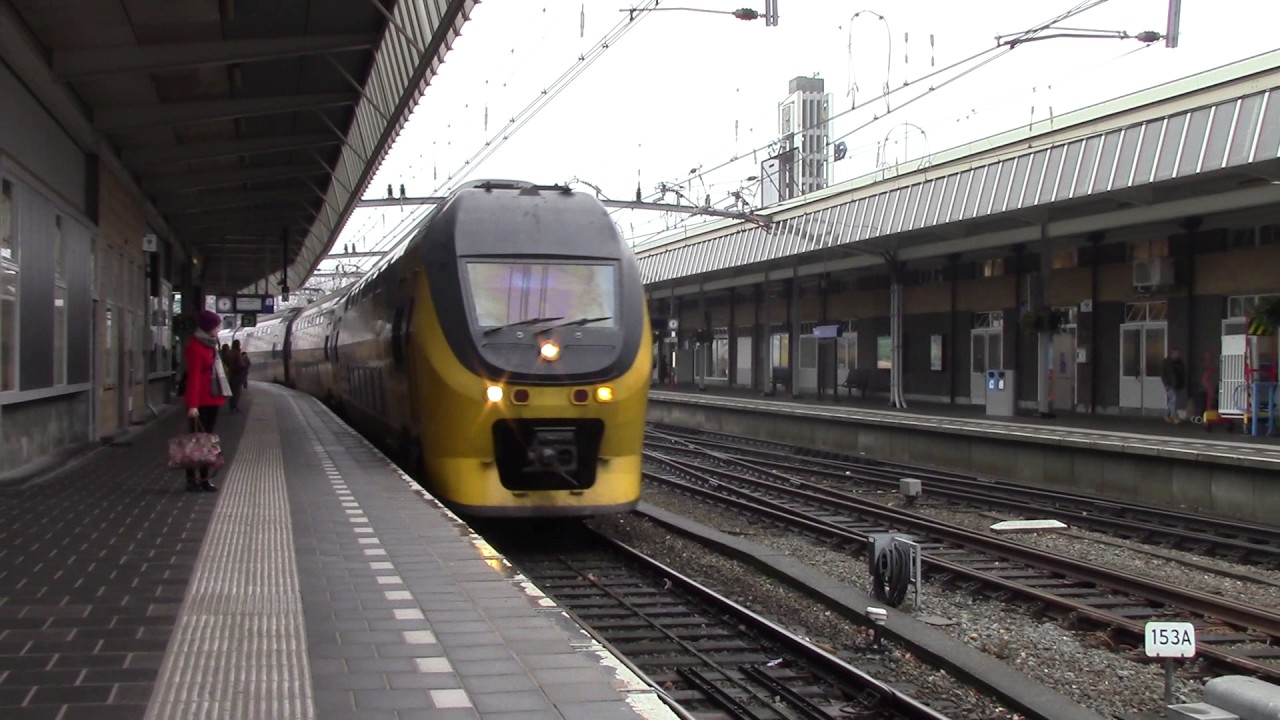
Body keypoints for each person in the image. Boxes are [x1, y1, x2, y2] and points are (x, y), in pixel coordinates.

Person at [184, 311, 232, 491]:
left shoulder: (210, 345)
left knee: (206, 441)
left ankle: (204, 478)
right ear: (208, 327)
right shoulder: (196, 347)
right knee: (195, 441)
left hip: (211, 398)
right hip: (200, 401)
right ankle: (192, 479)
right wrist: (193, 405)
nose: (219, 329)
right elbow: (194, 378)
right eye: (217, 326)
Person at [1160, 348, 1186, 424]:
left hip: (1178, 384)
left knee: (1173, 401)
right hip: (1170, 384)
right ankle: (1173, 416)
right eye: (1175, 353)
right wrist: (1165, 384)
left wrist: (1182, 383)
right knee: (1173, 399)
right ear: (1171, 354)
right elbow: (1163, 374)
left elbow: (1183, 373)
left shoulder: (1180, 362)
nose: (1176, 355)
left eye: (1177, 353)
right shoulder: (1166, 362)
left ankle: (1167, 414)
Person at [227, 339, 246, 413]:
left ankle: (231, 406)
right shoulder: (237, 353)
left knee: (231, 391)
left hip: (231, 374)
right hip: (237, 374)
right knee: (237, 392)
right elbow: (241, 364)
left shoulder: (229, 353)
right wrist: (244, 365)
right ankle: (234, 407)